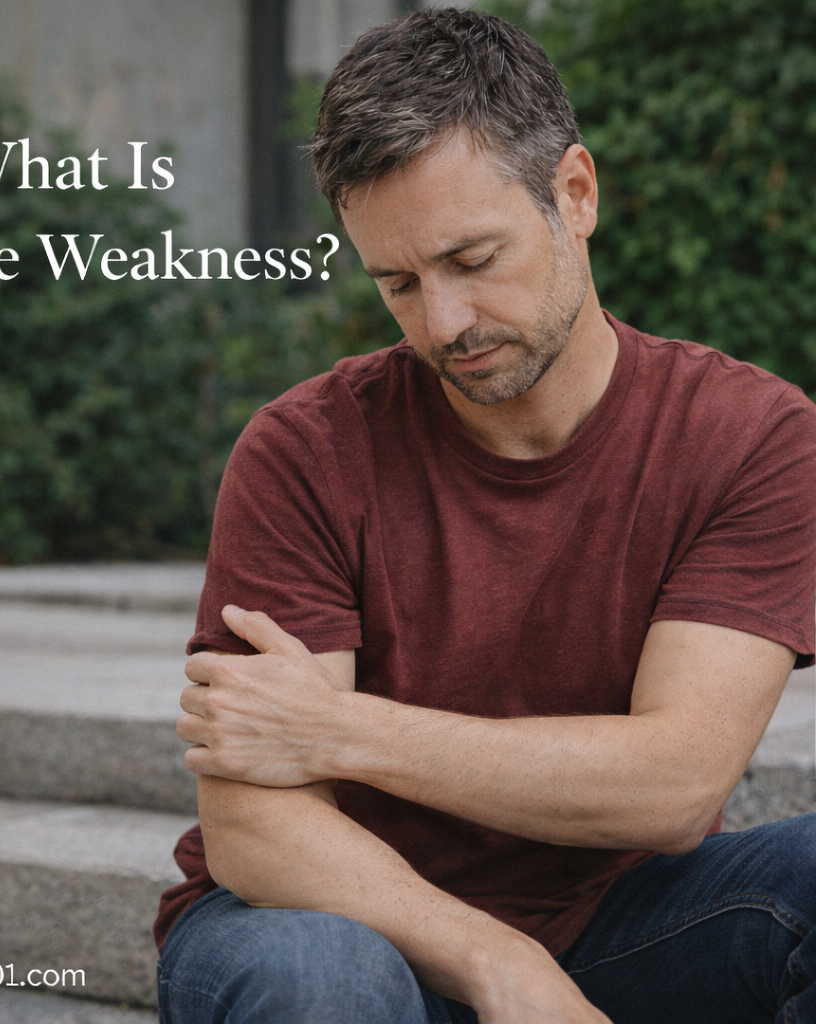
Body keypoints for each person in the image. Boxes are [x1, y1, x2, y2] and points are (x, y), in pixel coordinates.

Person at [155, 9, 816, 1023]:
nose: (442, 322)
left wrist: (335, 727)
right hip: (329, 919)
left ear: (575, 194)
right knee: (321, 981)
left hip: (617, 927)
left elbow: (670, 785)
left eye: (471, 260)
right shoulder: (304, 451)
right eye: (399, 283)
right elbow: (255, 823)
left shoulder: (752, 437)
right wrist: (495, 959)